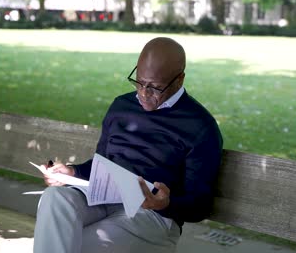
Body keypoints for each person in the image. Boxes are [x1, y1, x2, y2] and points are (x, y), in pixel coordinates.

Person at [33, 37, 223, 253]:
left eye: (154, 88)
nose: (143, 93)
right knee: (55, 198)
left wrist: (164, 203)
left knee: (67, 245)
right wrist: (73, 171)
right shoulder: (122, 106)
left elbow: (200, 204)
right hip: (102, 200)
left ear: (179, 80)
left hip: (153, 216)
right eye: (139, 82)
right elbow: (102, 164)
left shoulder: (199, 126)